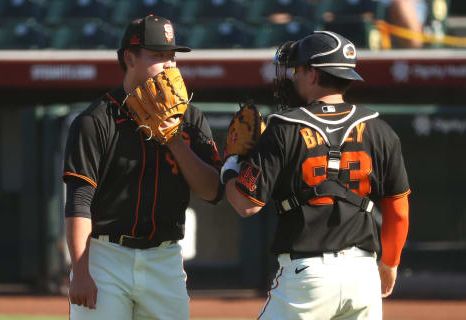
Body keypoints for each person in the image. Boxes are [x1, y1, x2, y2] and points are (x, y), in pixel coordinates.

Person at [222, 31, 410, 319]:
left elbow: (246, 204)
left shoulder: (284, 127)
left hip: (308, 276)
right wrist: (390, 263)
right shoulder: (380, 129)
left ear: (312, 74)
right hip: (364, 274)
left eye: (297, 70)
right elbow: (398, 212)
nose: (293, 77)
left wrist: (231, 167)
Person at [63, 15, 222, 320]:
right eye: (158, 56)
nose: (169, 65)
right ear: (130, 58)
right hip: (105, 256)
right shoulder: (95, 120)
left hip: (165, 257)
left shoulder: (190, 119)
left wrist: (176, 141)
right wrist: (80, 272)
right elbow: (79, 202)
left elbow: (212, 192)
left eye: (172, 56)